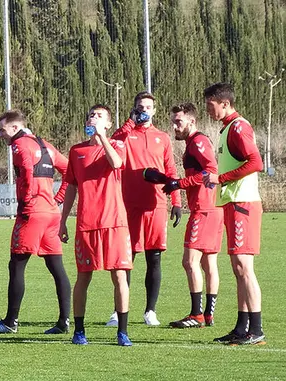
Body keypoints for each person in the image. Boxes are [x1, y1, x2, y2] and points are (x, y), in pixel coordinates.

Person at [0, 110, 71, 335]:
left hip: (32, 213)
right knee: (56, 267)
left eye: (3, 130)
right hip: (51, 214)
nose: (0, 135)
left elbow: (26, 170)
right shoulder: (45, 145)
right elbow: (70, 171)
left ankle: (10, 322)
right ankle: (64, 321)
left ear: (15, 128)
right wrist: (58, 199)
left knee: (16, 265)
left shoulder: (20, 145)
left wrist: (25, 201)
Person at [60, 105, 133, 347]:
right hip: (87, 223)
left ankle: (122, 331)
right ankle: (79, 330)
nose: (94, 118)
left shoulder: (117, 144)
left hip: (114, 222)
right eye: (92, 115)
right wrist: (63, 220)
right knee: (83, 276)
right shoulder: (77, 151)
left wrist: (102, 138)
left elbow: (116, 163)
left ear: (109, 124)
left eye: (100, 116)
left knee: (119, 276)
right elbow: (71, 186)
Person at [146, 103, 223, 328]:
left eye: (178, 121)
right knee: (208, 263)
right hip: (213, 207)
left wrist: (180, 183)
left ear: (192, 121)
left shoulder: (198, 142)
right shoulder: (194, 142)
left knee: (189, 262)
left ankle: (196, 315)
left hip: (204, 209)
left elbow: (211, 171)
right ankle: (208, 315)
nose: (174, 126)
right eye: (173, 122)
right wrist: (170, 180)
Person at [109, 92, 181, 327]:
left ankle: (150, 311)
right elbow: (112, 144)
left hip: (156, 204)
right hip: (128, 204)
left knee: (154, 257)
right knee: (126, 258)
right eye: (140, 107)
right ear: (134, 109)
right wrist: (130, 122)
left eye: (148, 107)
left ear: (154, 110)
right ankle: (118, 311)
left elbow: (170, 171)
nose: (144, 111)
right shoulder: (126, 134)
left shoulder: (163, 138)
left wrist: (176, 201)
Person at [202, 83, 265, 345]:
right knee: (238, 268)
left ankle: (256, 329)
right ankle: (241, 327)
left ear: (225, 103)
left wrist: (221, 178)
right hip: (233, 203)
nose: (208, 110)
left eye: (211, 105)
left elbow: (256, 162)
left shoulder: (239, 127)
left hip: (243, 204)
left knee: (244, 267)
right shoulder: (227, 128)